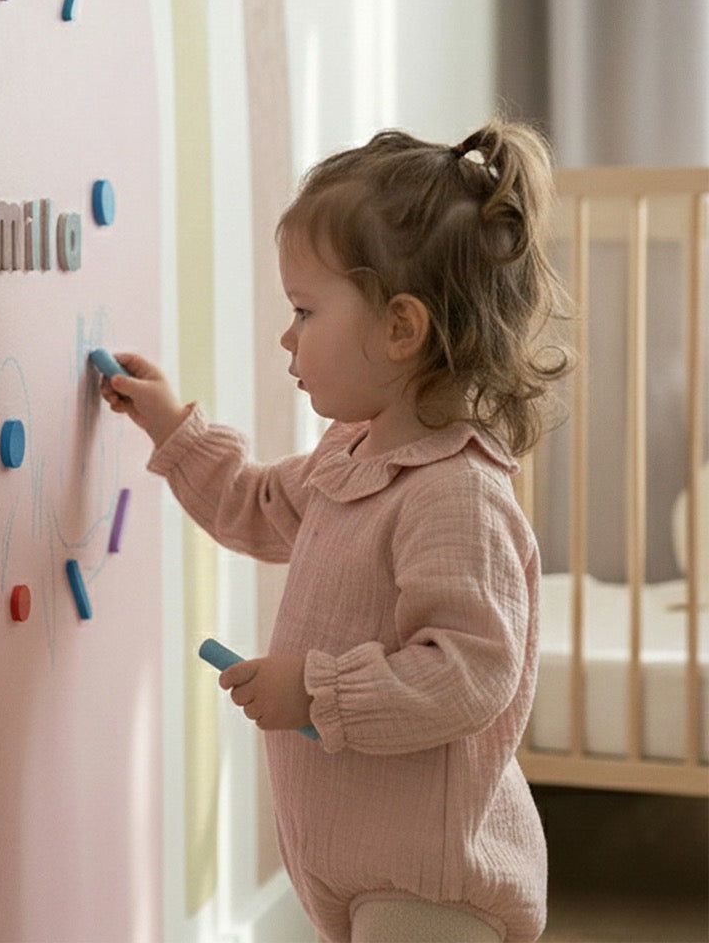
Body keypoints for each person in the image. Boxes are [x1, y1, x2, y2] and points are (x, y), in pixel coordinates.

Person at [100, 119, 573, 943]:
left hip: (430, 887)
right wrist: (172, 427)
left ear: (401, 328)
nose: (287, 336)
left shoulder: (455, 492)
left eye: (304, 310)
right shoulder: (348, 456)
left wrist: (314, 691)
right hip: (358, 869)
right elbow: (251, 503)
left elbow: (470, 673)